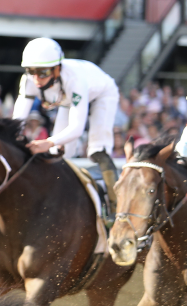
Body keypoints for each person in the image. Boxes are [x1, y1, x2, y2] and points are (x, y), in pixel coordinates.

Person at [13, 37, 120, 214]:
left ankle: (116, 207)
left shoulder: (75, 80)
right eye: (31, 71)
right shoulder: (28, 80)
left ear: (57, 68)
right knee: (58, 152)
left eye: (43, 72)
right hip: (67, 100)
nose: (37, 78)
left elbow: (77, 128)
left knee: (98, 150)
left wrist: (48, 141)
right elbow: (17, 120)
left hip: (102, 94)